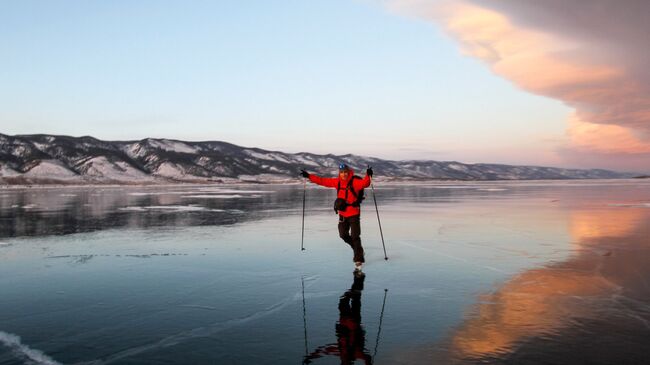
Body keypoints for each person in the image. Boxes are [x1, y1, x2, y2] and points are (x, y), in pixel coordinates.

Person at [301, 163, 373, 272]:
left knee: (355, 236)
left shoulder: (355, 182)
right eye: (342, 173)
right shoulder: (337, 182)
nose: (343, 174)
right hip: (343, 214)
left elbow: (365, 183)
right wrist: (309, 176)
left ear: (348, 172)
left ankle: (358, 259)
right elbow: (322, 181)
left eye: (345, 172)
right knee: (343, 235)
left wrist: (368, 175)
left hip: (354, 213)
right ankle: (358, 250)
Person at [302, 273, 372, 365]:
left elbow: (324, 350)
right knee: (355, 299)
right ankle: (358, 279)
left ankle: (357, 280)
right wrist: (368, 363)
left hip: (345, 318)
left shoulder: (340, 351)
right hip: (355, 320)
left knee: (344, 299)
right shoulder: (355, 353)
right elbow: (367, 358)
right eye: (345, 362)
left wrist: (310, 357)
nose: (343, 360)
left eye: (342, 361)